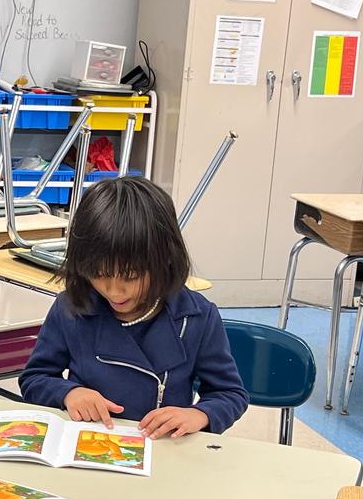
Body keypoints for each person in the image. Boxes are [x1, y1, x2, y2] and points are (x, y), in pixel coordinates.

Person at [19, 176, 249, 438]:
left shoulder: (197, 317)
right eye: (99, 274)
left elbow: (230, 394)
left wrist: (197, 415)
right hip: (87, 447)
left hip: (162, 453)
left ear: (165, 261)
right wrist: (69, 393)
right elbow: (35, 378)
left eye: (131, 277)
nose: (114, 290)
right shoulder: (72, 307)